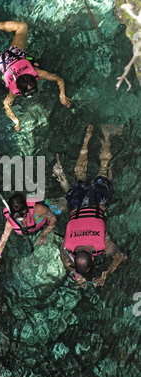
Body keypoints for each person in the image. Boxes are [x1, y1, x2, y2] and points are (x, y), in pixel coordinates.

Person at [0, 11, 72, 131]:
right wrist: (16, 121)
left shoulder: (36, 74)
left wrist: (62, 93)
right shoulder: (14, 90)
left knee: (22, 26)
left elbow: (59, 80)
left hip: (14, 56)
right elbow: (6, 104)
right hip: (3, 63)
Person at [52, 123, 125, 288]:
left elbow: (120, 257)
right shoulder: (68, 246)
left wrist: (106, 274)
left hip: (97, 202)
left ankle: (106, 136)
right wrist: (74, 273)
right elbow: (65, 259)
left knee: (103, 167)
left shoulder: (103, 244)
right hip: (77, 203)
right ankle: (86, 140)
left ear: (93, 258)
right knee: (80, 174)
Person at [0, 193, 57, 272]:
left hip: (47, 217)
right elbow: (4, 238)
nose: (21, 219)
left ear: (26, 208)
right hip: (34, 229)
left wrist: (44, 234)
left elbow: (53, 218)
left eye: (24, 214)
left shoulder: (38, 209)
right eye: (17, 216)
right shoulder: (10, 222)